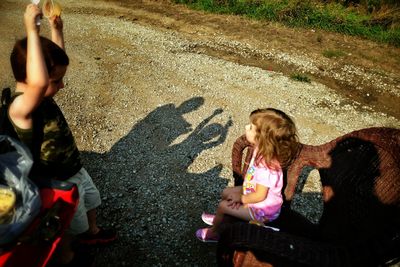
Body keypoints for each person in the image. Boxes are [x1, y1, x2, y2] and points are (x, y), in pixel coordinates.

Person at [8, 4, 116, 266]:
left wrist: (57, 31)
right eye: (55, 81)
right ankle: (67, 255)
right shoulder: (22, 106)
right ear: (38, 78)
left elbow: (51, 71)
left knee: (91, 199)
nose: (61, 85)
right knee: (67, 224)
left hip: (73, 168)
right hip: (56, 181)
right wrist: (31, 30)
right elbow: (41, 82)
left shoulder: (41, 95)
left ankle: (92, 232)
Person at [196, 108, 300, 242]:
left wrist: (241, 198)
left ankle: (214, 233)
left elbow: (259, 196)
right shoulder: (261, 148)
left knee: (223, 205)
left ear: (262, 138)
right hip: (253, 193)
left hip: (263, 210)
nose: (246, 127)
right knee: (226, 192)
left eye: (251, 127)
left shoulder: (267, 168)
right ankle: (221, 218)